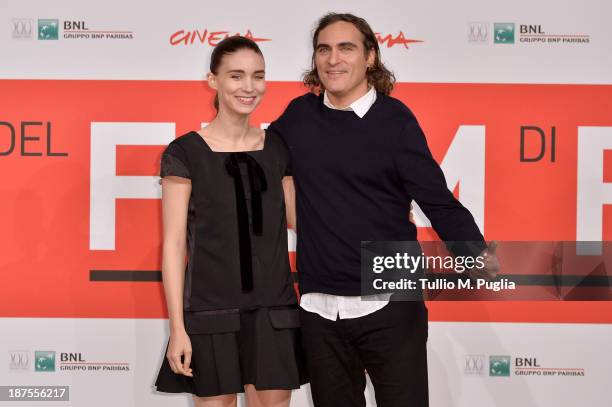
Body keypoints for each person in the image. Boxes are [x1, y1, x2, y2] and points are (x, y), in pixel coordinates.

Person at [267, 13, 498, 407]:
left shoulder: (395, 120)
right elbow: (256, 162)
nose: (333, 59)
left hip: (389, 298)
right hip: (319, 306)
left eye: (346, 48)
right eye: (324, 49)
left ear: (370, 57)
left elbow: (436, 198)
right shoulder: (298, 116)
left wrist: (477, 255)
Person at [154, 36, 306, 407]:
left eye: (258, 75)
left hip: (273, 308)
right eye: (236, 76)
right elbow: (174, 245)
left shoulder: (278, 148)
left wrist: (378, 213)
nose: (249, 87)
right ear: (214, 81)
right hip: (209, 309)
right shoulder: (185, 152)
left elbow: (302, 221)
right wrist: (178, 329)